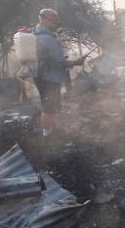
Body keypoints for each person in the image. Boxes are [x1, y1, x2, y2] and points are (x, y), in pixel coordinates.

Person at [33, 8, 86, 136]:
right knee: (49, 108)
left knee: (50, 106)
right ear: (44, 19)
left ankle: (52, 130)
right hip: (49, 78)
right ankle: (48, 135)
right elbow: (60, 62)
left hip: (40, 76)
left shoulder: (35, 34)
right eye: (54, 20)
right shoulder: (48, 39)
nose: (56, 23)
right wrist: (76, 62)